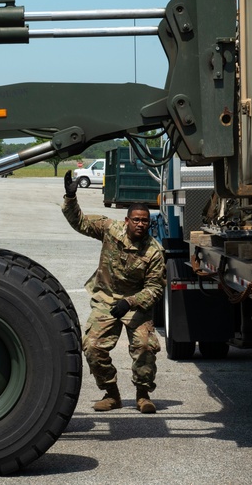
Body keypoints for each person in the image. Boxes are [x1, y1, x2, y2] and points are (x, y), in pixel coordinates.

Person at [62, 170, 165, 413]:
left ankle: (143, 394)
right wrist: (70, 197)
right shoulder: (110, 229)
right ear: (127, 220)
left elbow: (155, 289)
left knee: (144, 347)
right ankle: (111, 393)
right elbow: (81, 223)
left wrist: (130, 302)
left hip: (135, 306)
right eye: (136, 220)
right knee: (92, 347)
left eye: (145, 221)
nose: (141, 224)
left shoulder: (154, 251)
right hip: (106, 300)